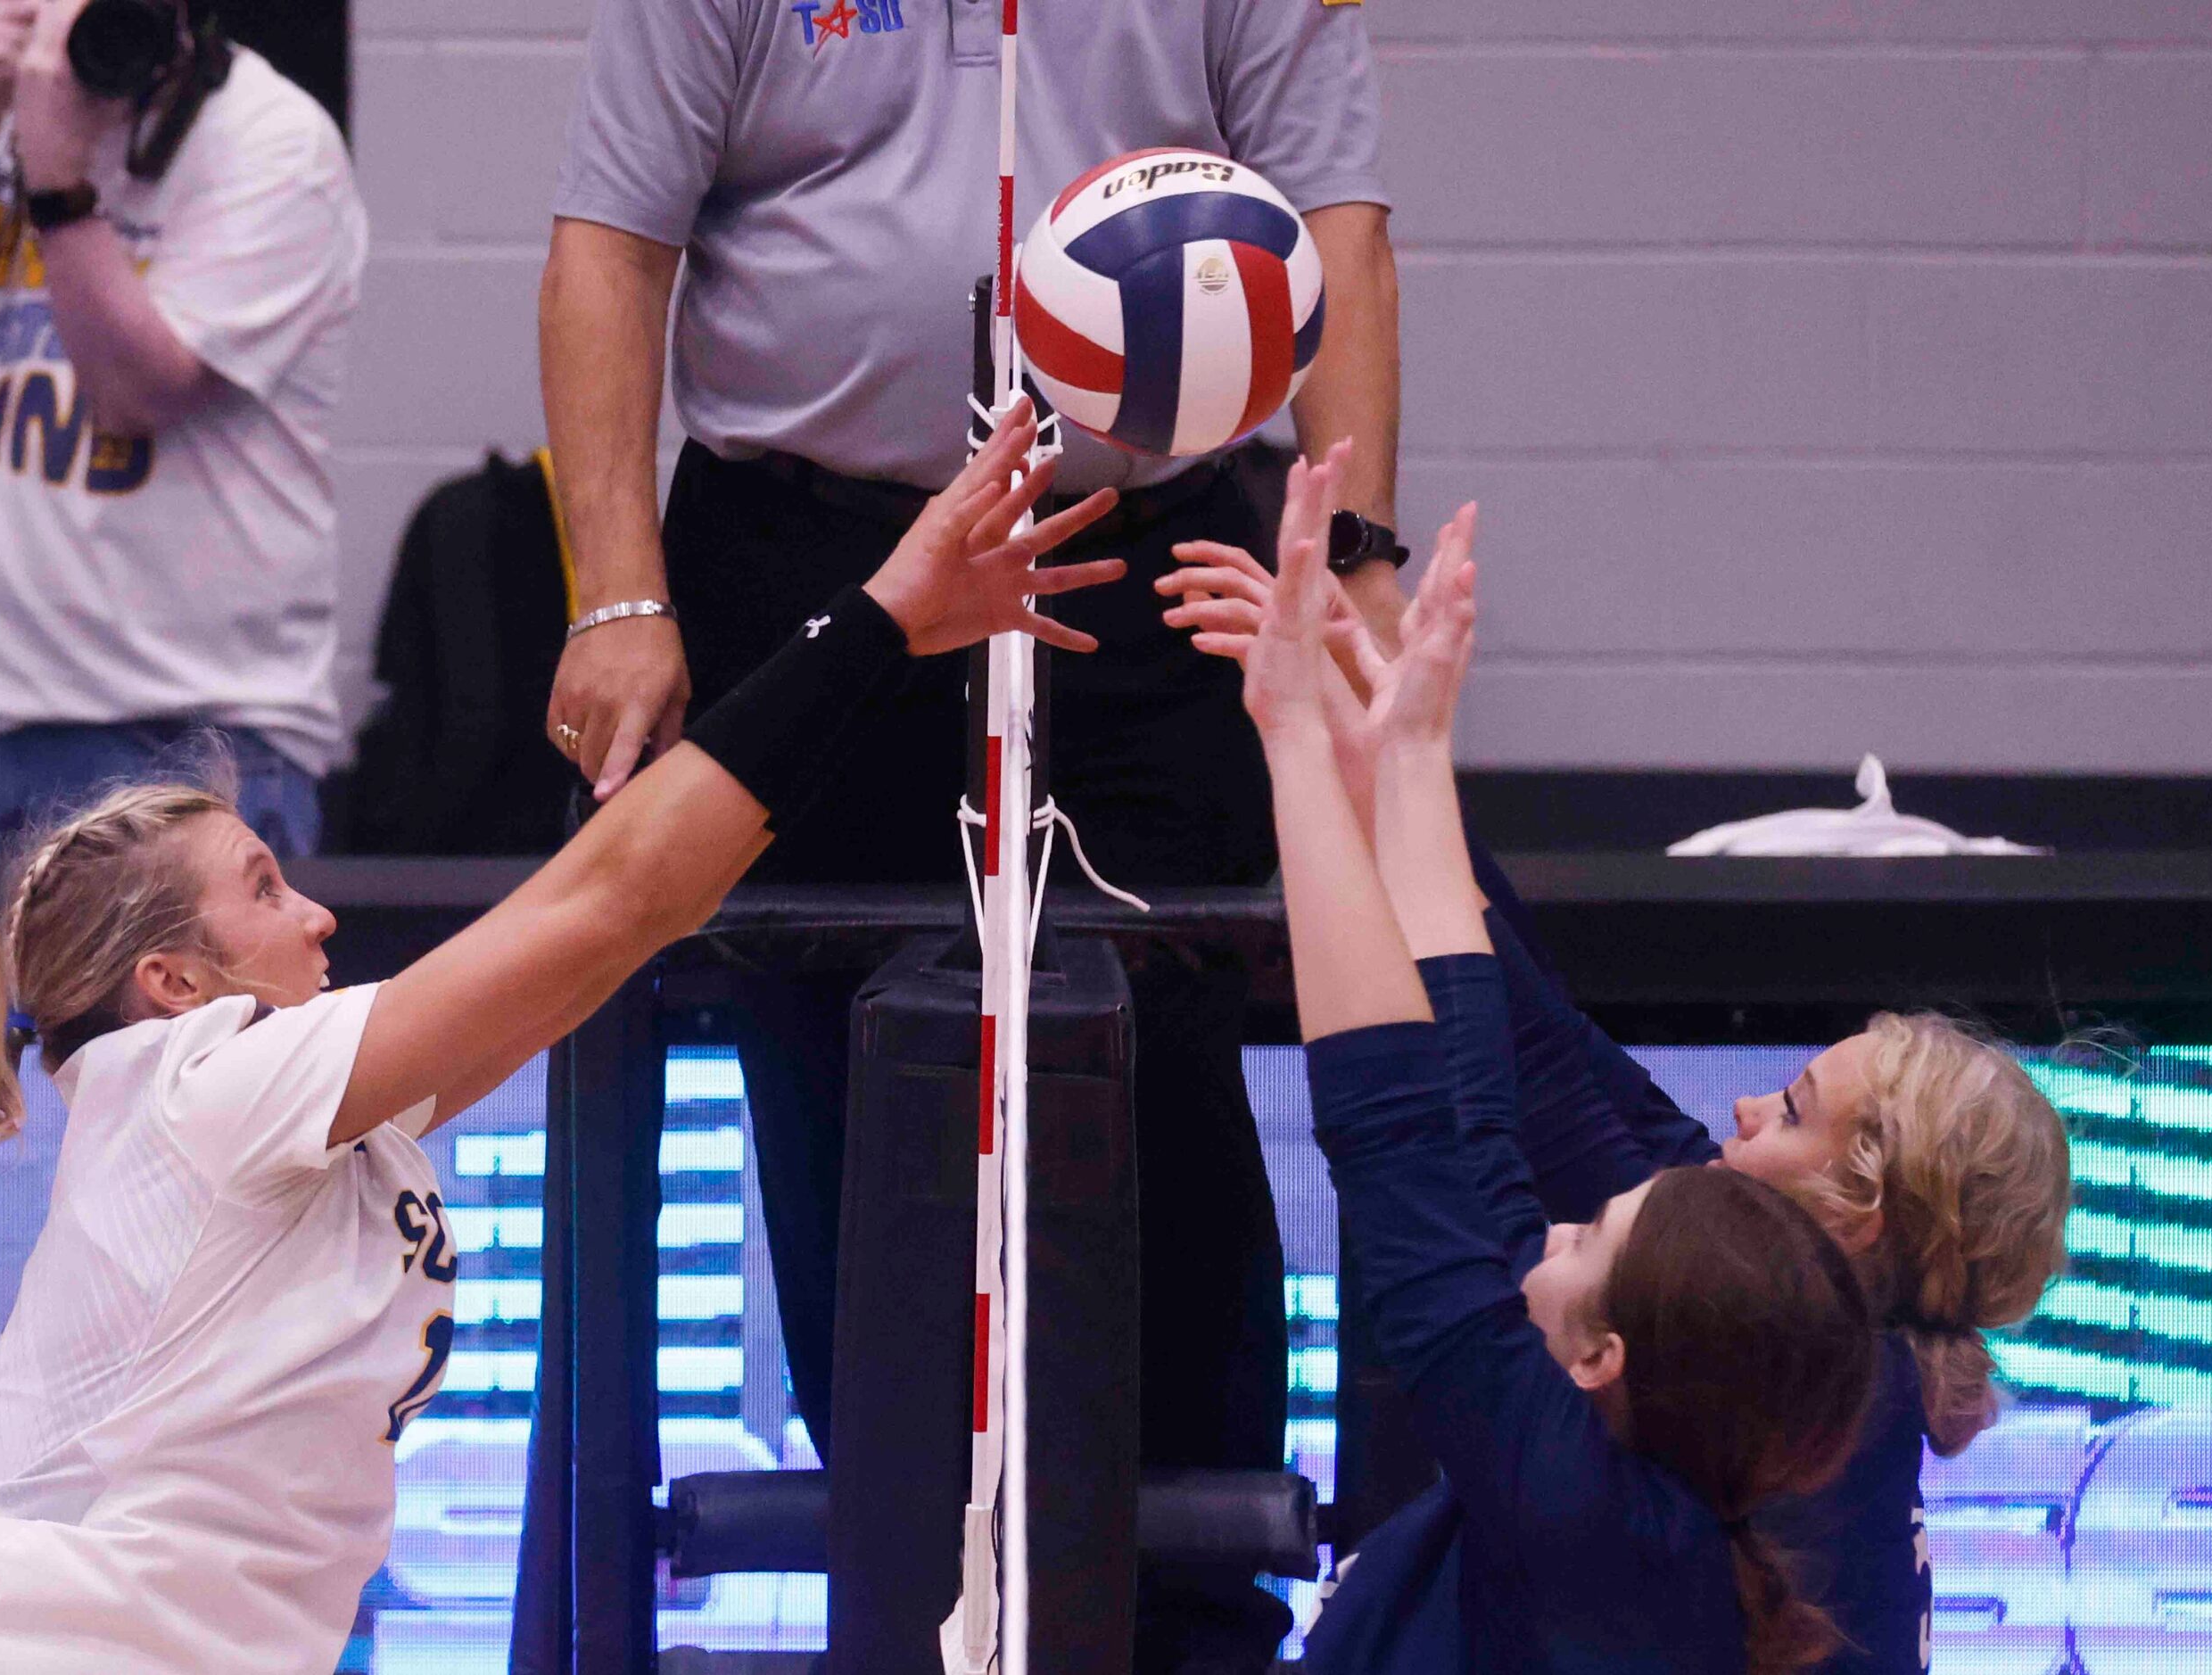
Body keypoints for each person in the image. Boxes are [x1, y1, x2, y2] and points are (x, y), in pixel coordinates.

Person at [0, 413, 1117, 1675]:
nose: (318, 910)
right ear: (173, 980)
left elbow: (621, 922)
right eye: (263, 887)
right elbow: (615, 895)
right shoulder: (205, 1085)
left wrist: (882, 651)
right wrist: (876, 612)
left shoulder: (281, 1116)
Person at [543, 6, 1400, 1660]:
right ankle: (899, 1581)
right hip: (813, 559)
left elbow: (1336, 235)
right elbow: (609, 248)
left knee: (1167, 1042)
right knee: (826, 1056)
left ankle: (1195, 1607)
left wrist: (1352, 553)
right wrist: (619, 594)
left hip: (1133, 549)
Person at [1160, 528, 2075, 1675]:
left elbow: (1430, 1149)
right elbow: (1535, 1063)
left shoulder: (1641, 1481)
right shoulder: (1775, 1345)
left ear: (1859, 1216)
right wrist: (1393, 754)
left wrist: (1312, 743)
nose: (1740, 1113)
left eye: (1790, 1112)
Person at [1243, 448, 1879, 1673]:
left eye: (1583, 1239)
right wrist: (1412, 753)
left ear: (1601, 1359)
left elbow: (1399, 1142)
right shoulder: (1639, 1497)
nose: (1547, 1231)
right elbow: (1473, 1129)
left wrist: (1295, 746)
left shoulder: (1576, 1519)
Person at [0, 0, 366, 862]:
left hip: (185, 740)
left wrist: (59, 180)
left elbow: (132, 393)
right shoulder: (15, 99)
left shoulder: (274, 141)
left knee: (178, 1007)